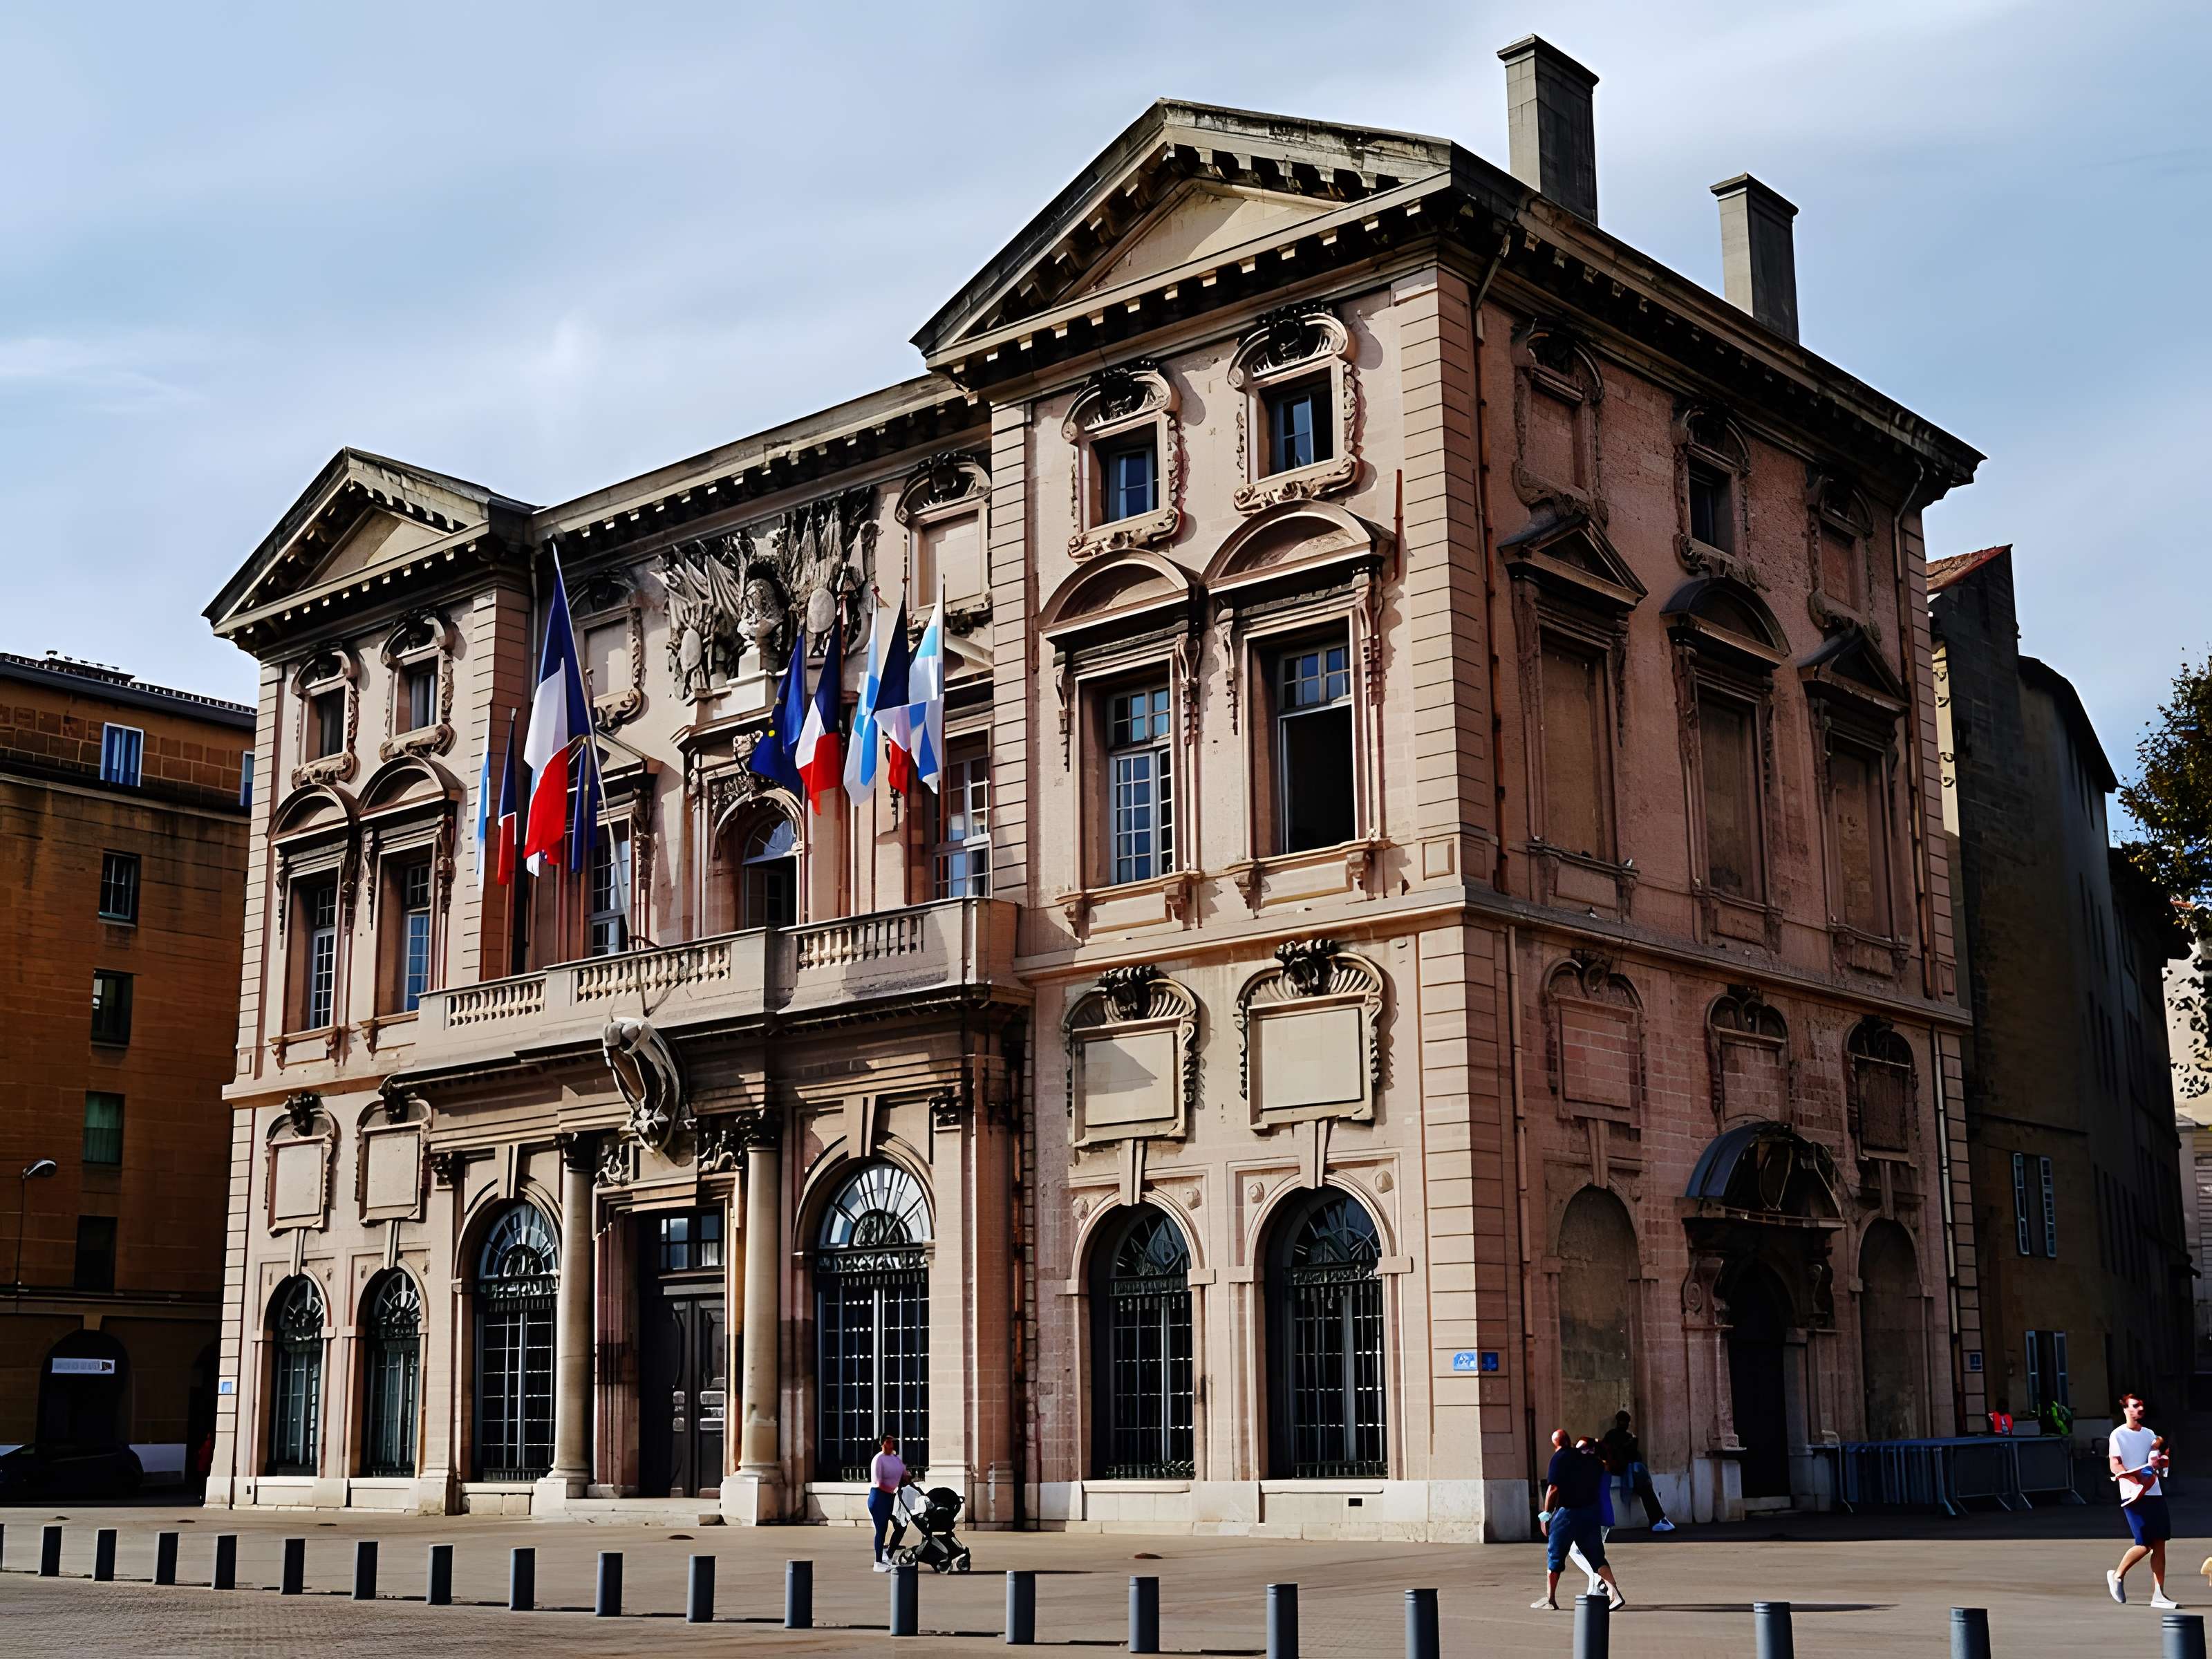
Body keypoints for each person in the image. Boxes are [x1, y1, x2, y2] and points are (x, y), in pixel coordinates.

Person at [1534, 1427, 1625, 1613]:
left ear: (1556, 1443)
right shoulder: (1593, 1462)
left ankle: (1550, 1598)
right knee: (1597, 1556)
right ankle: (1614, 1594)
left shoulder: (1559, 1458)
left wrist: (1546, 1515)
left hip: (1568, 1513)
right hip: (1590, 1513)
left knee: (1555, 1554)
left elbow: (1553, 1489)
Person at [2108, 1392, 2179, 1609]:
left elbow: (2156, 1457)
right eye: (2135, 1406)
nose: (2139, 1410)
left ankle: (2159, 1593)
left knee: (2160, 1542)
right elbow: (2115, 1465)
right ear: (2125, 1409)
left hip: (2154, 1492)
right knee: (2144, 1544)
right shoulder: (2117, 1435)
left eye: (2141, 1406)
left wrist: (2162, 1460)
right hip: (2132, 1495)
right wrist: (2134, 1479)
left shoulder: (2149, 1433)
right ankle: (2117, 1575)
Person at [1599, 1411, 1676, 1533]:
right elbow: (1613, 1454)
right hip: (1620, 1469)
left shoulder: (1626, 1437)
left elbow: (1632, 1455)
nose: (1624, 1424)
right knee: (1641, 1478)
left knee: (1642, 1477)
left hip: (1628, 1469)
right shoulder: (1612, 1435)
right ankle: (1658, 1519)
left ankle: (1658, 1519)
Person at [868, 1432, 912, 1572]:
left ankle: (888, 1554)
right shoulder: (878, 1459)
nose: (890, 1445)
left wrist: (907, 1480)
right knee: (881, 1530)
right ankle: (878, 1562)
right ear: (882, 1444)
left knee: (901, 1525)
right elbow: (879, 1482)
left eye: (892, 1442)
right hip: (879, 1498)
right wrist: (893, 1488)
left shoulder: (895, 1459)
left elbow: (904, 1474)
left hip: (892, 1498)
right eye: (888, 1442)